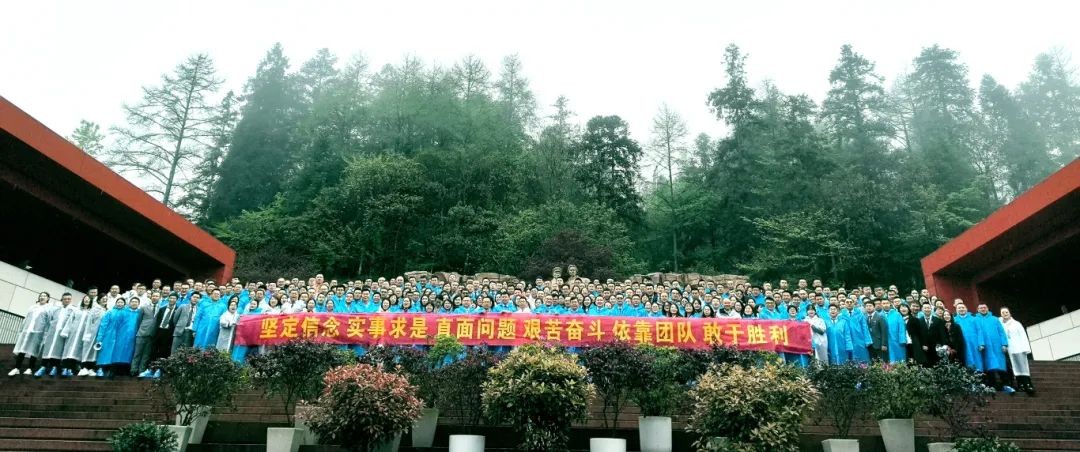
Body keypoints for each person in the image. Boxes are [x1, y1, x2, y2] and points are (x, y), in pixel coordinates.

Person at [8, 292, 52, 377]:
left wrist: (45, 335)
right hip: (27, 330)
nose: (42, 297)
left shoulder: (49, 309)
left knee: (34, 350)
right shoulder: (33, 307)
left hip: (38, 332)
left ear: (48, 298)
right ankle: (17, 368)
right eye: (41, 296)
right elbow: (26, 318)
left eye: (44, 296)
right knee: (22, 349)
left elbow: (48, 322)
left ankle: (30, 368)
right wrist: (21, 330)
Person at [40, 292, 77, 377]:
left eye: (69, 299)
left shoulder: (73, 310)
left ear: (71, 300)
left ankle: (55, 367)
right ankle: (43, 367)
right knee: (48, 349)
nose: (67, 300)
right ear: (62, 300)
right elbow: (49, 320)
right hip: (52, 332)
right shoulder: (56, 309)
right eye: (65, 299)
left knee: (58, 350)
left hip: (63, 334)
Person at [977, 303, 1011, 392]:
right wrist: (980, 344)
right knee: (989, 366)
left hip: (997, 346)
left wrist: (1004, 344)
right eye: (981, 308)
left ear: (988, 308)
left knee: (1001, 365)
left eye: (984, 307)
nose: (983, 309)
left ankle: (1006, 385)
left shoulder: (995, 319)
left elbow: (1001, 332)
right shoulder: (976, 320)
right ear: (978, 310)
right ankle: (993, 386)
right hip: (985, 347)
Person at [1000, 307, 1034, 395]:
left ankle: (1028, 384)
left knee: (1022, 366)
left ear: (1010, 313)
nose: (1005, 314)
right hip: (1009, 350)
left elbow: (1023, 336)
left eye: (1006, 312)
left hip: (1019, 348)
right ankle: (1020, 384)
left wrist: (1026, 348)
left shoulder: (1016, 324)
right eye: (1003, 313)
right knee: (1014, 368)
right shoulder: (1001, 324)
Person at [61, 296, 94, 376]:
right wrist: (66, 331)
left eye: (88, 300)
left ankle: (71, 369)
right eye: (85, 299)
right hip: (73, 333)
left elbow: (90, 325)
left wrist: (87, 335)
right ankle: (65, 368)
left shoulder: (91, 312)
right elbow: (70, 321)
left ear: (90, 302)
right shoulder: (76, 310)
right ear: (82, 300)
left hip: (81, 334)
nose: (86, 300)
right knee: (68, 350)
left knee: (76, 352)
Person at [132, 292, 160, 376]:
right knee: (137, 353)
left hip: (152, 334)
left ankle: (142, 371)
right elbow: (138, 320)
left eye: (157, 296)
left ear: (159, 298)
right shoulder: (143, 307)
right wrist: (139, 330)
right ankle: (133, 370)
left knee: (146, 355)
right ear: (151, 297)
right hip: (142, 333)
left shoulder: (160, 308)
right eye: (153, 296)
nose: (155, 297)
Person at [953, 303, 984, 372]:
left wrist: (981, 343)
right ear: (956, 310)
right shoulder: (954, 320)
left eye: (963, 307)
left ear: (966, 309)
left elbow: (979, 331)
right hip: (963, 344)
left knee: (977, 359)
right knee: (966, 358)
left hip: (975, 343)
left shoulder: (974, 319)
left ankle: (980, 374)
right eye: (959, 308)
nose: (961, 309)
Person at [910, 303, 939, 367]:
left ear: (931, 309)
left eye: (928, 308)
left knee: (937, 365)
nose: (927, 309)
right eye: (925, 308)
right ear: (922, 309)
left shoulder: (937, 320)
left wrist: (939, 344)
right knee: (926, 365)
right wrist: (923, 344)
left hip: (936, 346)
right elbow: (918, 335)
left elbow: (941, 334)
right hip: (924, 347)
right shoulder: (918, 321)